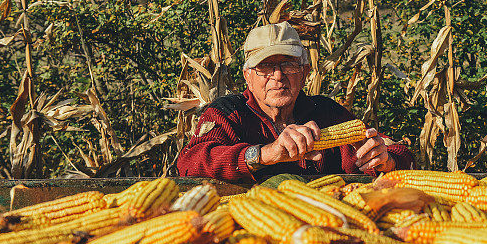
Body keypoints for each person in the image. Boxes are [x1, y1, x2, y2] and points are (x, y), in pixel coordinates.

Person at [177, 22, 416, 182]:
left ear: (304, 72)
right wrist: (267, 154)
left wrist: (387, 160)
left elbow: (396, 150)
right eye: (265, 67)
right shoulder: (226, 113)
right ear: (247, 76)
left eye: (288, 65)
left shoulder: (326, 112)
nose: (278, 76)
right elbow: (190, 163)